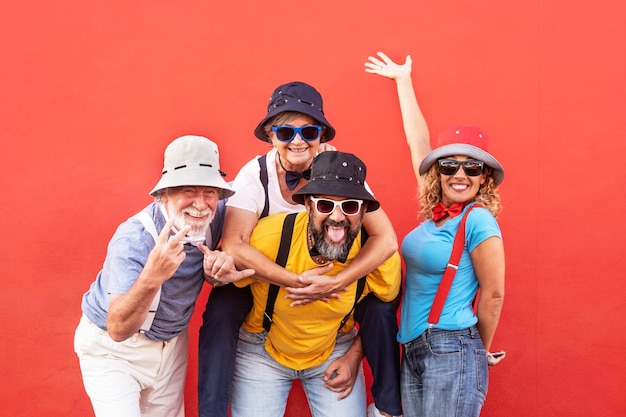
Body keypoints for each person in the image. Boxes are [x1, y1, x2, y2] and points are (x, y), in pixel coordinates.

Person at [198, 82, 403, 417]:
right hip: (266, 277)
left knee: (381, 304)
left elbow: (386, 239)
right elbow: (235, 244)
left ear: (321, 134)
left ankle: (387, 408)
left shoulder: (342, 172)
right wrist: (295, 281)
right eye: (285, 131)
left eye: (308, 131)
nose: (297, 140)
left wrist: (338, 282)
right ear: (269, 134)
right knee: (221, 311)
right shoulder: (255, 175)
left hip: (333, 281)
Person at [365, 52, 506, 416]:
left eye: (472, 167)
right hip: (412, 346)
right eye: (450, 164)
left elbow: (493, 294)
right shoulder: (434, 218)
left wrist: (478, 350)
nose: (460, 174)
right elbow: (418, 142)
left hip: (453, 346)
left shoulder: (477, 221)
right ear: (438, 172)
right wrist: (403, 80)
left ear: (484, 177)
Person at [73, 135, 254, 417]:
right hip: (113, 351)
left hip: (171, 345)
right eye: (188, 190)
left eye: (209, 192)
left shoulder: (217, 212)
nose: (201, 203)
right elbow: (117, 329)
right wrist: (151, 276)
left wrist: (314, 158)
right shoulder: (134, 240)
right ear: (163, 195)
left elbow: (257, 179)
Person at [229, 151, 402, 417]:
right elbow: (231, 270)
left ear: (363, 211)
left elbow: (382, 313)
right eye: (324, 205)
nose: (337, 217)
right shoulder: (268, 237)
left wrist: (354, 355)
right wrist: (290, 280)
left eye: (350, 206)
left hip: (335, 351)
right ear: (308, 205)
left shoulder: (374, 256)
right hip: (262, 351)